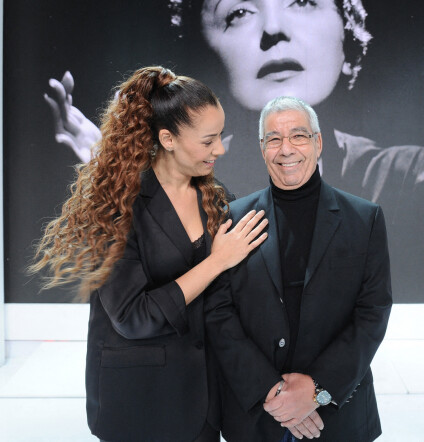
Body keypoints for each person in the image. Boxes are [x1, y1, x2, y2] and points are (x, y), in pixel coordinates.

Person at [43, 0, 424, 301]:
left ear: (347, 34)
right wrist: (128, 182)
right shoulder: (191, 185)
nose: (273, 28)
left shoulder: (402, 170)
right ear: (204, 49)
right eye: (239, 11)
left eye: (302, 0)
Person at [30, 66, 269, 441]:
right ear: (168, 139)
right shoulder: (115, 206)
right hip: (138, 403)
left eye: (219, 136)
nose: (219, 149)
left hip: (204, 405)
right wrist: (218, 260)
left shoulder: (217, 196)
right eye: (208, 141)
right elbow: (132, 317)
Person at [204, 95, 392, 441]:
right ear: (263, 149)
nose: (286, 149)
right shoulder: (233, 219)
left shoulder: (364, 219)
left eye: (298, 136)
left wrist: (317, 390)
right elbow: (219, 313)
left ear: (318, 143)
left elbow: (372, 314)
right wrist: (271, 391)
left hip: (338, 415)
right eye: (273, 139)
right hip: (256, 416)